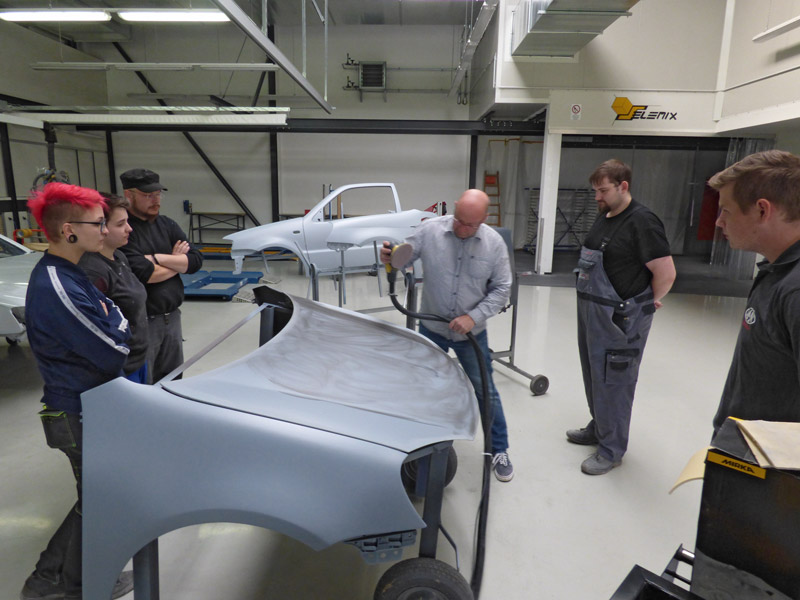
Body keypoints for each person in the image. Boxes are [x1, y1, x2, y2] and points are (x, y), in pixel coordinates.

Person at [21, 182, 134, 600]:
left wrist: (114, 322)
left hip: (89, 408)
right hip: (76, 412)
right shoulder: (56, 284)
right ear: (69, 230)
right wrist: (115, 325)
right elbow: (114, 350)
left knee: (94, 499)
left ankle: (50, 579)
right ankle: (74, 586)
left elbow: (116, 316)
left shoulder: (74, 274)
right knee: (99, 500)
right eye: (98, 224)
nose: (105, 231)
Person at [380, 189, 515, 482]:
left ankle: (499, 450)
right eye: (458, 220)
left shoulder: (494, 244)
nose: (461, 228)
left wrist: (473, 317)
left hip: (471, 335)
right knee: (421, 389)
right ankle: (414, 446)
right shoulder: (430, 231)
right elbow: (403, 257)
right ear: (454, 208)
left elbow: (502, 288)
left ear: (484, 219)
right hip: (433, 328)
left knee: (486, 392)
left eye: (470, 224)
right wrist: (390, 258)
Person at [569, 159, 676, 475]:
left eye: (603, 191)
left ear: (623, 186)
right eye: (595, 191)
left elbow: (666, 273)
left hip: (620, 319)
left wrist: (646, 303)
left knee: (615, 380)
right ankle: (600, 427)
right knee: (594, 373)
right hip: (593, 312)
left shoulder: (642, 222)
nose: (597, 197)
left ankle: (611, 449)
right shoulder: (605, 216)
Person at [709, 150, 800, 433]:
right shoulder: (777, 271)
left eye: (726, 210)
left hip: (770, 458)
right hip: (744, 447)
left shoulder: (795, 290)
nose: (719, 221)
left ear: (762, 210)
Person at [118, 168, 203, 383]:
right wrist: (177, 261)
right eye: (148, 195)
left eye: (158, 194)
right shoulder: (125, 231)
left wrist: (158, 258)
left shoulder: (167, 225)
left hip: (172, 317)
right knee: (146, 382)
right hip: (143, 322)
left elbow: (195, 261)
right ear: (129, 195)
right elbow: (145, 274)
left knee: (173, 379)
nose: (156, 200)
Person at [79, 194, 149, 383]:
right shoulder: (93, 271)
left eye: (127, 221)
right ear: (101, 227)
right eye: (120, 224)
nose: (129, 228)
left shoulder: (119, 257)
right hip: (120, 369)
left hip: (138, 359)